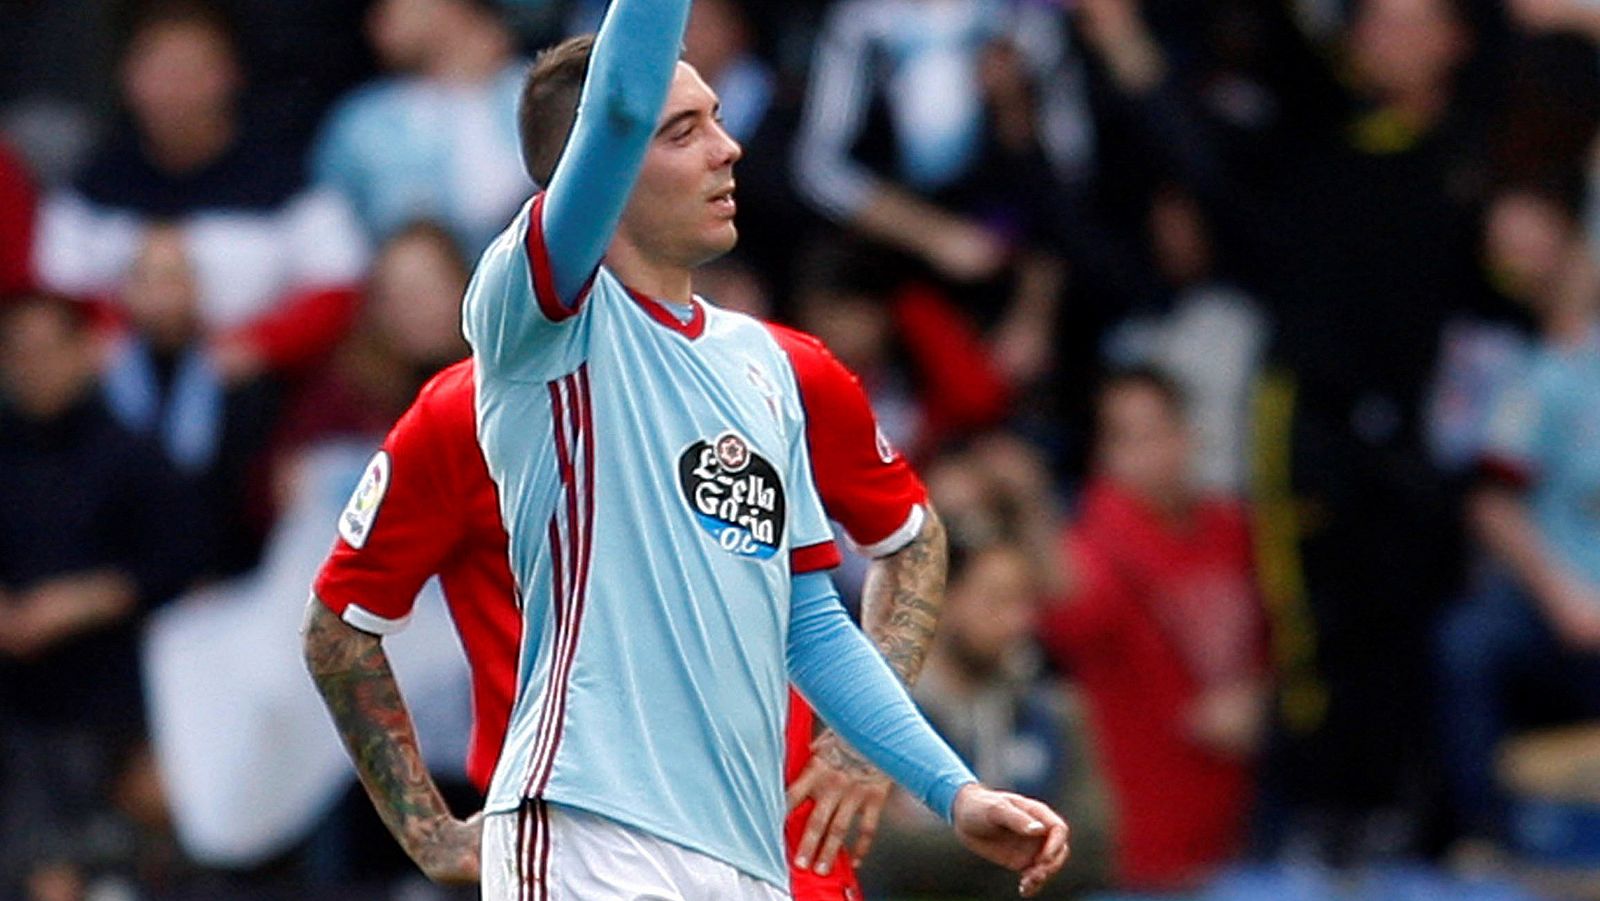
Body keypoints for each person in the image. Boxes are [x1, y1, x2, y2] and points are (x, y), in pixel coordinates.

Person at [407, 0, 1064, 896]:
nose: (729, 148)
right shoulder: (537, 321)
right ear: (597, 169)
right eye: (685, 130)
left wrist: (950, 787)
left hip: (744, 851)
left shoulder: (762, 366)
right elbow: (620, 107)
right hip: (589, 832)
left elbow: (810, 622)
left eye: (719, 118)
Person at [304, 322, 947, 897]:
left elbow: (908, 536)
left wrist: (865, 745)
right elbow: (339, 628)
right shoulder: (468, 413)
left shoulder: (779, 370)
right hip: (579, 855)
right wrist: (428, 833)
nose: (725, 178)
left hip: (785, 854)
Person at [0, 293, 204, 899]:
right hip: (14, 713)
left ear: (87, 353)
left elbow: (184, 560)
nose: (33, 365)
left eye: (47, 349)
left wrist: (90, 599)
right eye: (17, 352)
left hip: (115, 707)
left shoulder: (134, 456)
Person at [1038, 368, 1266, 893]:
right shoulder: (1095, 541)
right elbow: (1071, 619)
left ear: (1189, 434)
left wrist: (1259, 698)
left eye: (1161, 429)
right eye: (1128, 437)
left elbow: (1280, 640)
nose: (1151, 451)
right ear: (1103, 452)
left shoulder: (1234, 529)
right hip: (1140, 845)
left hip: (1239, 825)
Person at [1435, 183, 1600, 846]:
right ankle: (1486, 841)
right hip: (1564, 600)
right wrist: (1566, 597)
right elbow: (1491, 500)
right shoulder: (1523, 371)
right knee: (1466, 643)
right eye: (1507, 245)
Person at [313, 0, 530, 256]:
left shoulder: (529, 91)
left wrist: (468, 95)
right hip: (406, 285)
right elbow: (327, 234)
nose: (376, 20)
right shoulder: (362, 120)